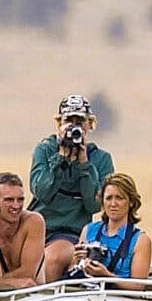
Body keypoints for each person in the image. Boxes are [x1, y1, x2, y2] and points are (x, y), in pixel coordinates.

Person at [30, 94, 113, 286]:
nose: (74, 127)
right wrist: (60, 159)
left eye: (79, 122)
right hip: (37, 227)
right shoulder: (44, 150)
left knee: (54, 259)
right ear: (59, 124)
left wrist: (84, 164)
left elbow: (94, 205)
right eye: (68, 121)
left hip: (70, 232)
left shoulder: (101, 159)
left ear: (89, 125)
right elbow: (41, 192)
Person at [77, 172, 152, 289]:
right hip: (89, 294)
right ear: (102, 201)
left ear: (131, 202)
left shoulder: (140, 240)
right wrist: (77, 260)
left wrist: (106, 275)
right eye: (108, 198)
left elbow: (138, 286)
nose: (113, 204)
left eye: (119, 198)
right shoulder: (89, 230)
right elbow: (75, 270)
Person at [0, 172, 46, 288]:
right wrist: (1, 283)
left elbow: (28, 274)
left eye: (20, 200)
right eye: (9, 200)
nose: (16, 206)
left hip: (32, 296)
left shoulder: (33, 221)